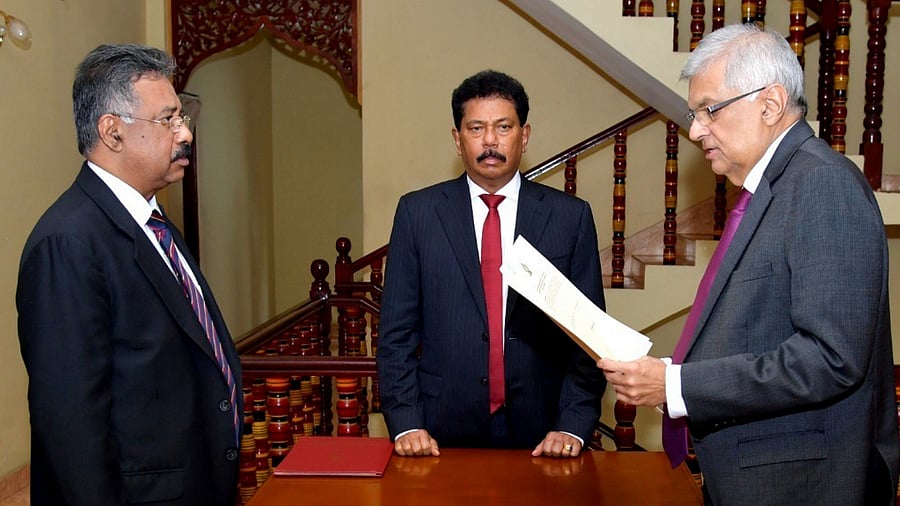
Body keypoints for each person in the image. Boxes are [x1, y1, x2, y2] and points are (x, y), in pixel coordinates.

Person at [597, 23, 899, 505]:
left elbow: (831, 358)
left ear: (770, 104)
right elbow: (759, 332)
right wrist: (673, 370)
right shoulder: (775, 190)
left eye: (709, 110)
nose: (695, 131)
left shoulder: (822, 186)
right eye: (693, 114)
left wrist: (677, 384)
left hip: (803, 487)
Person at [16, 44, 241, 505]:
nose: (185, 135)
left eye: (183, 116)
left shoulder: (154, 226)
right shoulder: (69, 243)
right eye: (168, 119)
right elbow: (72, 427)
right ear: (113, 132)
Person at [377, 70, 606, 458]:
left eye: (503, 127)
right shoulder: (418, 214)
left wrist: (572, 424)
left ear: (524, 135)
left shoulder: (570, 218)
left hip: (544, 432)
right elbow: (396, 335)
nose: (490, 141)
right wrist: (407, 422)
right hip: (437, 432)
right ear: (457, 138)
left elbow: (588, 338)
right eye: (476, 128)